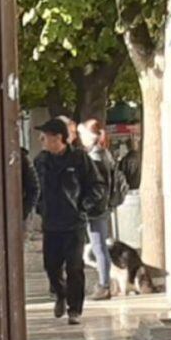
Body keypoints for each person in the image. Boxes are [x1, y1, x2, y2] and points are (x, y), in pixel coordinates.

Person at [34, 118, 105, 325]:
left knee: (74, 267)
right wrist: (39, 208)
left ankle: (75, 309)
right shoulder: (41, 161)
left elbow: (97, 185)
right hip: (51, 223)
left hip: (74, 223)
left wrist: (84, 206)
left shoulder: (79, 158)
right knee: (51, 266)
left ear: (58, 138)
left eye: (45, 136)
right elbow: (34, 188)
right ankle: (60, 293)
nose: (42, 140)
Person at [79, 120, 116, 299]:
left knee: (99, 246)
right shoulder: (104, 154)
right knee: (99, 246)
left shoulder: (95, 157)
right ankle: (105, 283)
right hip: (102, 206)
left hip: (96, 209)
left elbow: (96, 186)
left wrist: (86, 204)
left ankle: (104, 285)